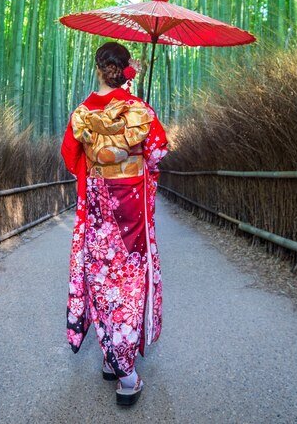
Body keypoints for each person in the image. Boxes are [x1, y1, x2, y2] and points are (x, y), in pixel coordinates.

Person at [60, 41, 169, 407]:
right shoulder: (139, 109)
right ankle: (127, 374)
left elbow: (69, 156)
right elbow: (157, 151)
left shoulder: (82, 111)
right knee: (128, 280)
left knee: (101, 276)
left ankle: (111, 356)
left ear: (97, 67)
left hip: (97, 205)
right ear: (125, 70)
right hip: (130, 206)